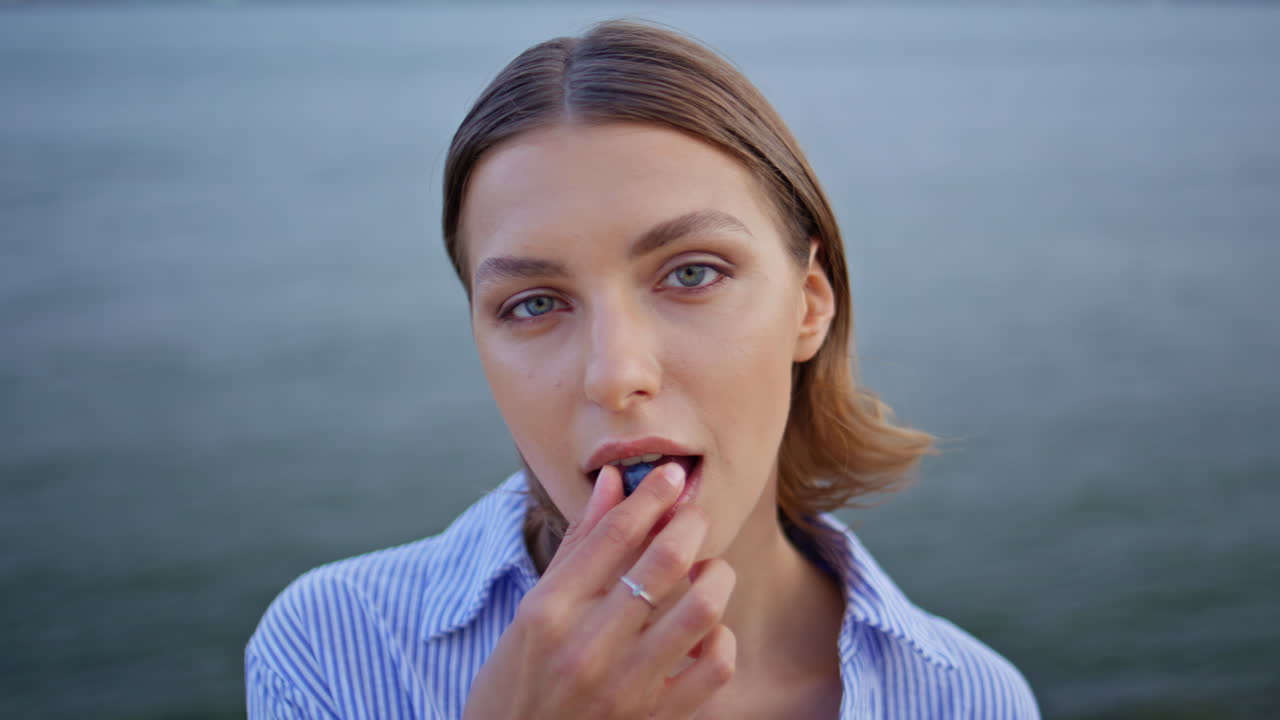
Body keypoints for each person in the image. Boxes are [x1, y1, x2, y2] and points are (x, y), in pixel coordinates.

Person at [245, 20, 1039, 719]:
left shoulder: (969, 698)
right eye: (533, 304)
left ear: (808, 304)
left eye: (692, 274)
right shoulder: (333, 648)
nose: (614, 374)